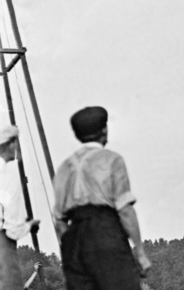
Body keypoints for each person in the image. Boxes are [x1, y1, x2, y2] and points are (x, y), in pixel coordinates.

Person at [53, 106, 152, 290]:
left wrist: (70, 248)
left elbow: (59, 221)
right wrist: (139, 252)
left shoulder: (64, 168)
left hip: (73, 239)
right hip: (106, 232)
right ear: (104, 130)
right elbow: (125, 210)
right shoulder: (112, 160)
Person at [0, 125, 40, 289]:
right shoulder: (6, 178)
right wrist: (30, 225)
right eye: (17, 143)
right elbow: (13, 229)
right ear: (10, 145)